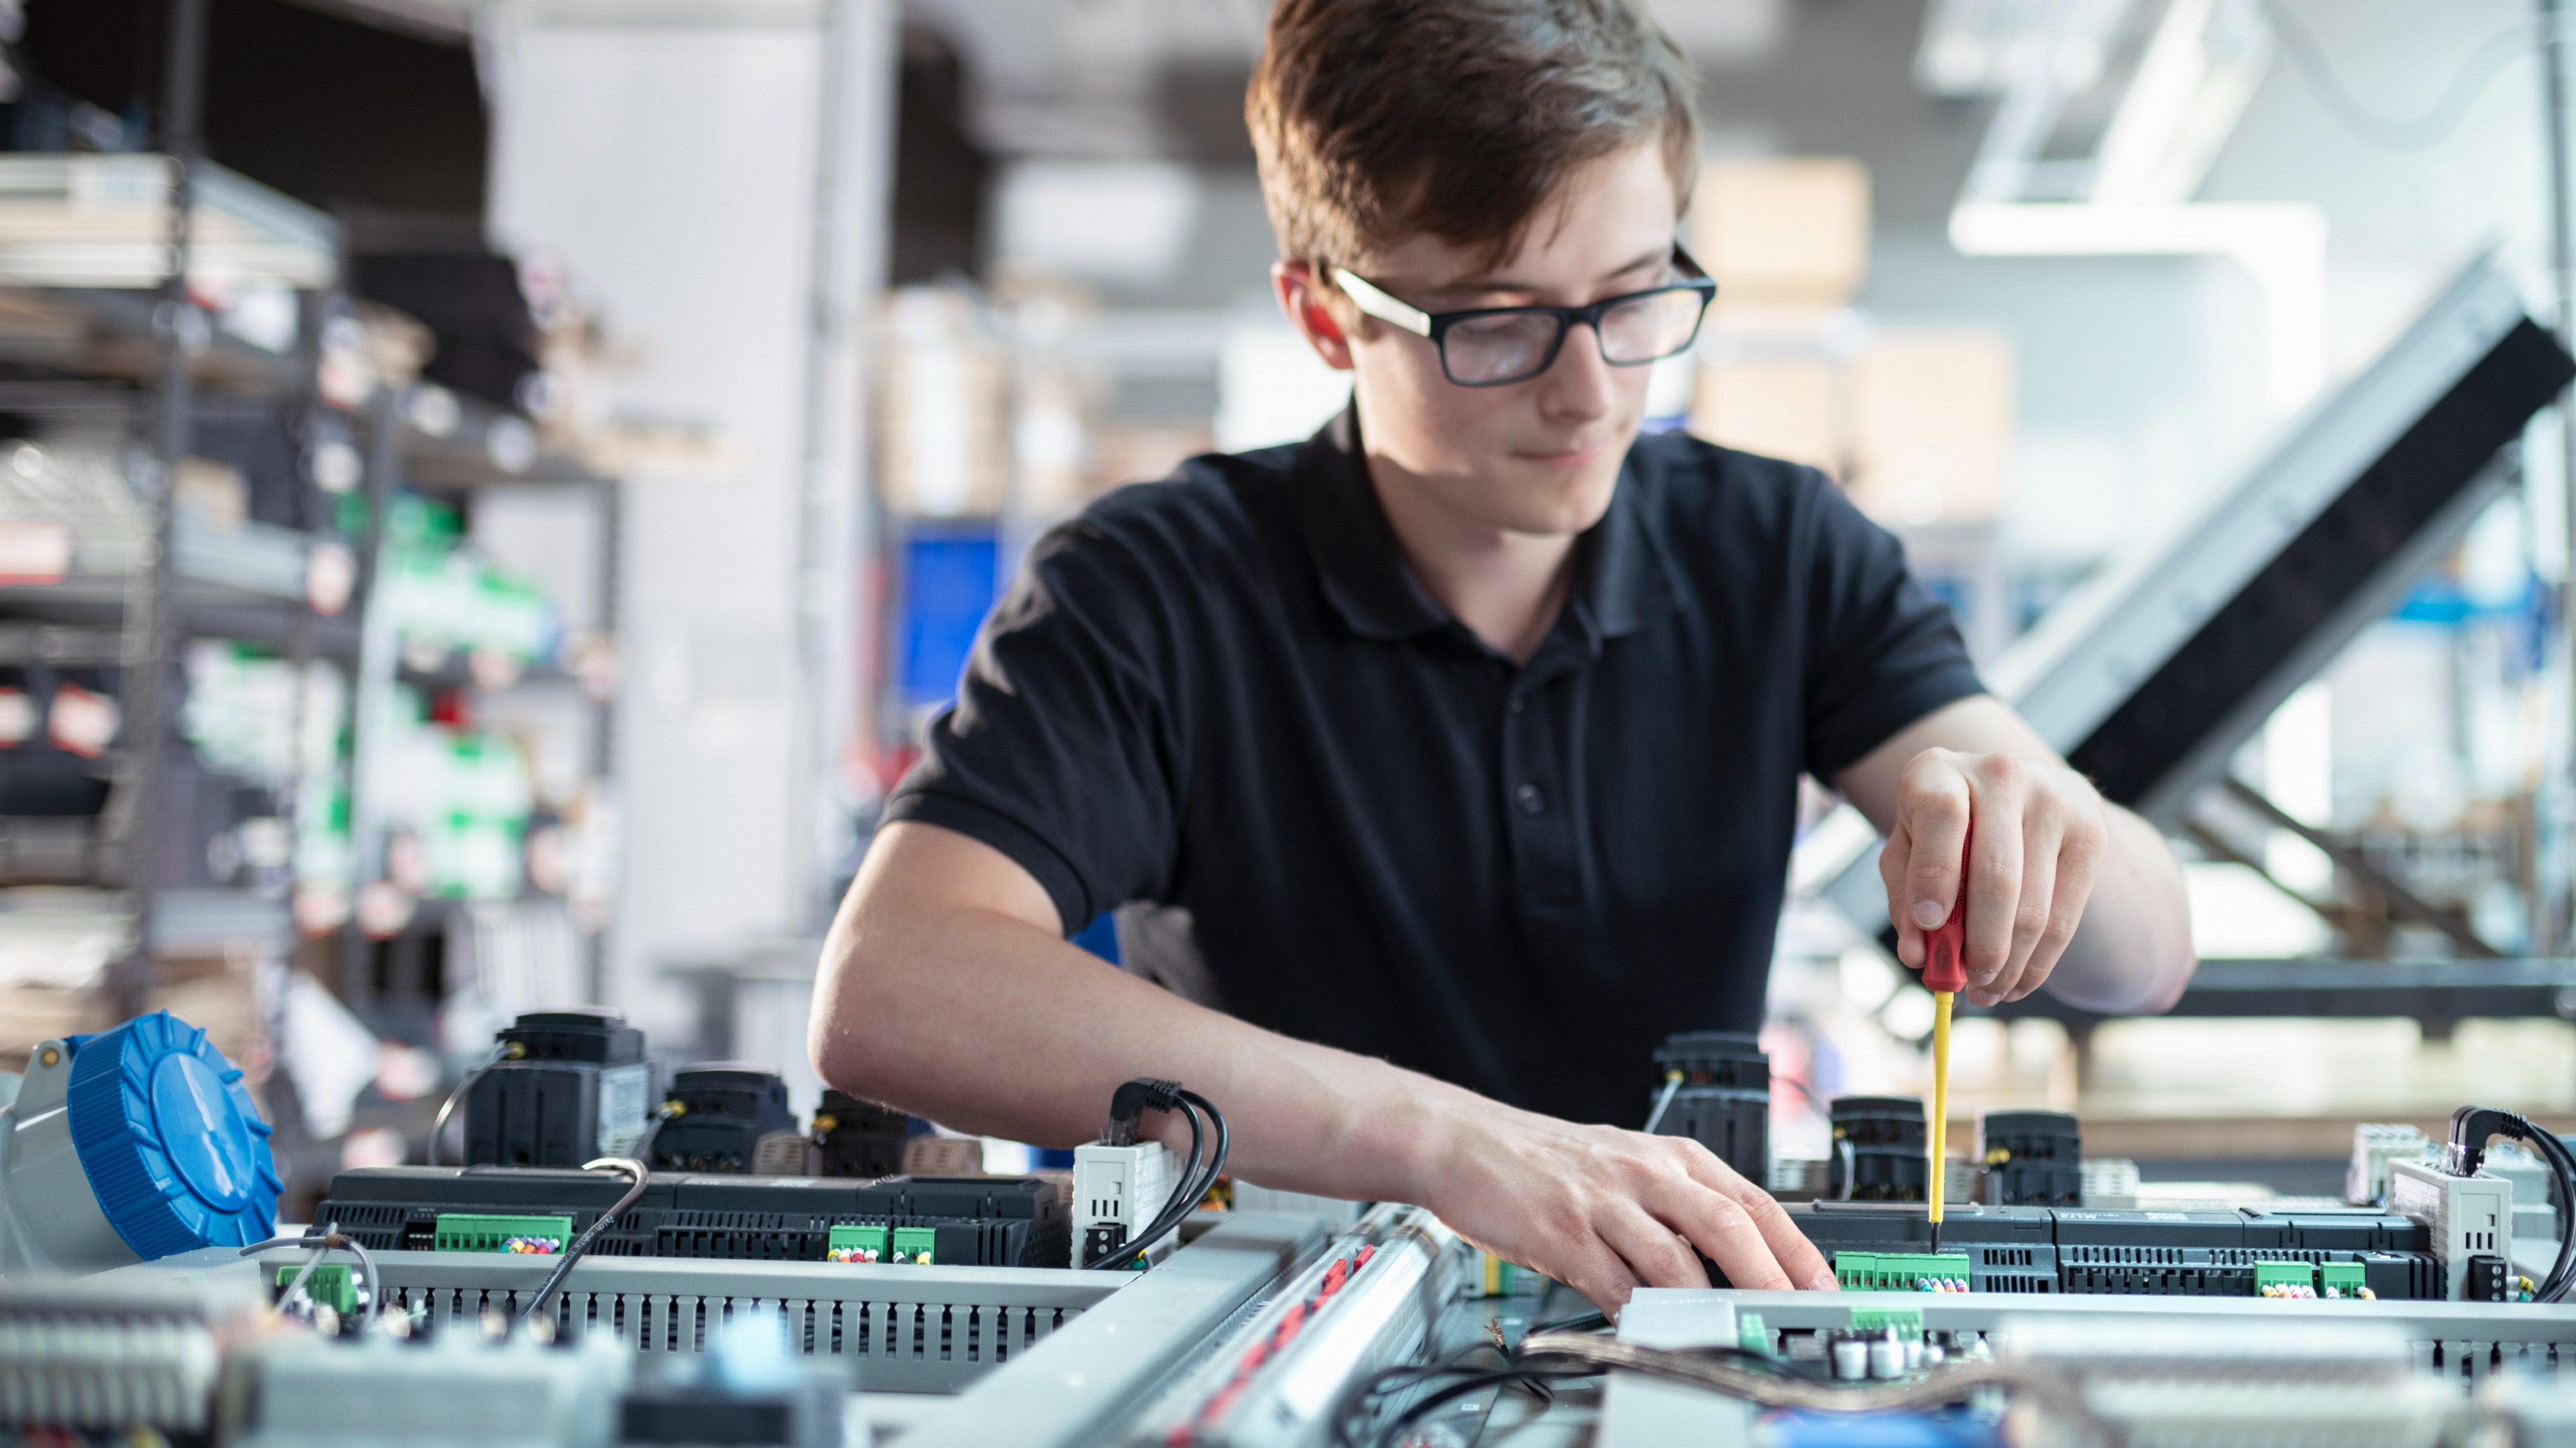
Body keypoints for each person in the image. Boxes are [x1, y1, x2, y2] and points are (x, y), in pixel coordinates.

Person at [811, 0, 2195, 1314]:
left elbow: (2145, 957)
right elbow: (896, 989)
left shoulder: (1783, 551)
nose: (1590, 389)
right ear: (1324, 315)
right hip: (1281, 1327)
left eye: (1635, 294)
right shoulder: (1155, 586)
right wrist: (1447, 1143)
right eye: (1499, 321)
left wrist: (2056, 835)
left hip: (1673, 1337)